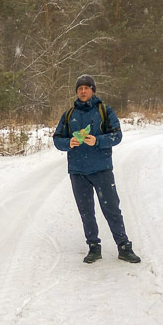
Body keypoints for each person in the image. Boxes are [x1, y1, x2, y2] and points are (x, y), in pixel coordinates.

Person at [52, 74, 141, 264]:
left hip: (101, 169)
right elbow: (57, 140)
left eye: (87, 88)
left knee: (112, 209)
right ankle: (93, 246)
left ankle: (124, 246)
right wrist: (69, 142)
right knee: (86, 211)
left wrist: (98, 140)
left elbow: (117, 136)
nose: (83, 91)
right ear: (76, 92)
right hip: (78, 171)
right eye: (80, 88)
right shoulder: (69, 115)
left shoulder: (104, 111)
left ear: (93, 90)